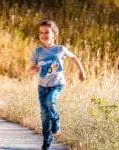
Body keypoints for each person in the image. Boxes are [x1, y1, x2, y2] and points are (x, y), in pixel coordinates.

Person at [29, 20, 86, 150]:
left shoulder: (60, 49)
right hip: (42, 87)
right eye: (41, 32)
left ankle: (56, 121)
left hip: (57, 85)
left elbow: (74, 58)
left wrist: (82, 72)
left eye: (47, 32)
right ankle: (47, 139)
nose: (43, 35)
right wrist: (34, 70)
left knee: (51, 101)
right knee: (44, 114)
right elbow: (31, 68)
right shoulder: (38, 52)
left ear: (54, 34)